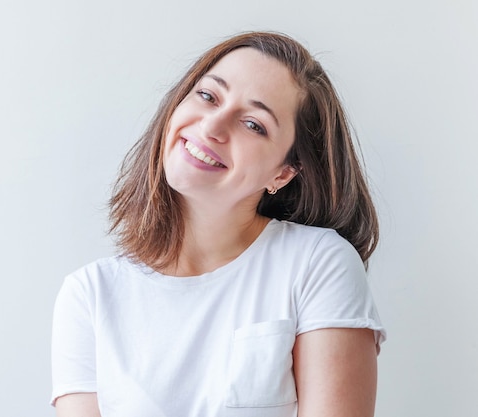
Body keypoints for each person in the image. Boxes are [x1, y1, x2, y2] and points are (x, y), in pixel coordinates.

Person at [51, 31, 386, 417]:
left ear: (283, 173)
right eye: (208, 96)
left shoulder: (318, 264)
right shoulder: (89, 296)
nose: (212, 126)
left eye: (254, 124)